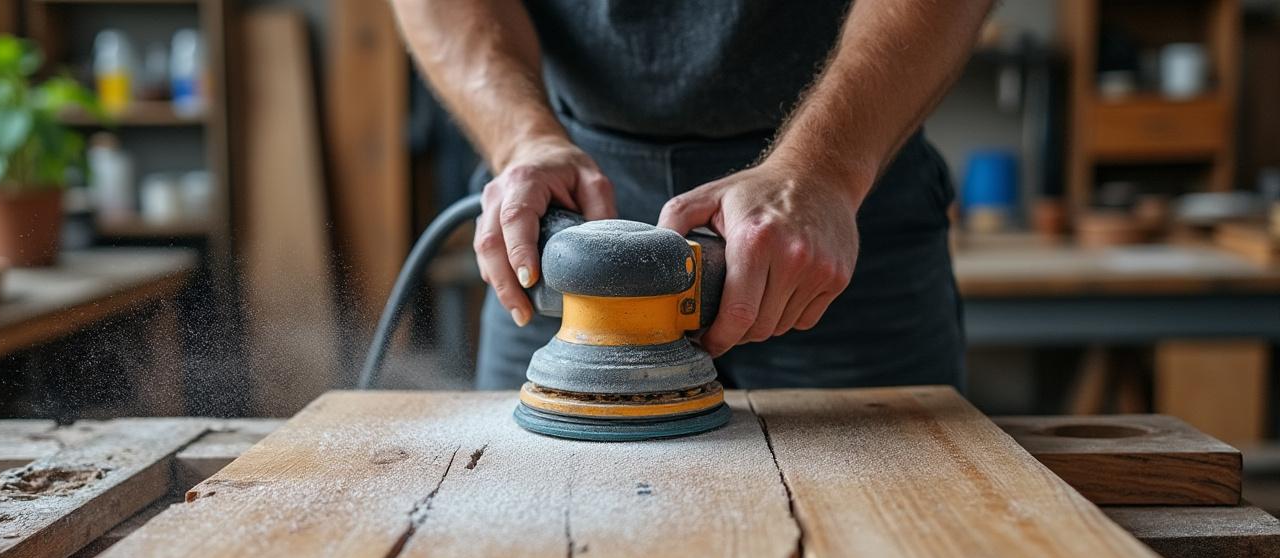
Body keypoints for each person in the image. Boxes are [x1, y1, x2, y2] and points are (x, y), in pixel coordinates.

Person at [392, 0, 993, 390]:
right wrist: (521, 139)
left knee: (884, 537)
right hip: (563, 206)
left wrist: (827, 168)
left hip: (836, 198)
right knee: (535, 515)